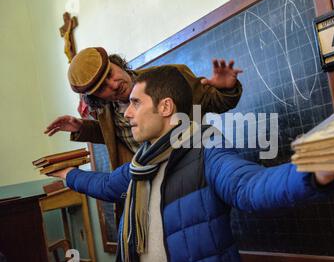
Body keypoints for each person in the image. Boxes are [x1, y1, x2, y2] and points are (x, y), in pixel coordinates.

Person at [51, 66, 334, 262]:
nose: (127, 114)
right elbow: (104, 184)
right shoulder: (139, 167)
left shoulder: (207, 152)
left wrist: (315, 170)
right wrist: (70, 175)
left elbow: (252, 187)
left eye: (135, 103)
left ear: (165, 107)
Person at [44, 47, 244, 171]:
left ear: (117, 63)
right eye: (103, 88)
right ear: (96, 98)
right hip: (146, 183)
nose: (113, 85)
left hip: (192, 171)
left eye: (111, 74)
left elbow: (214, 102)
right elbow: (114, 136)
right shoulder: (106, 111)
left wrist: (227, 88)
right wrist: (81, 127)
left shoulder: (171, 77)